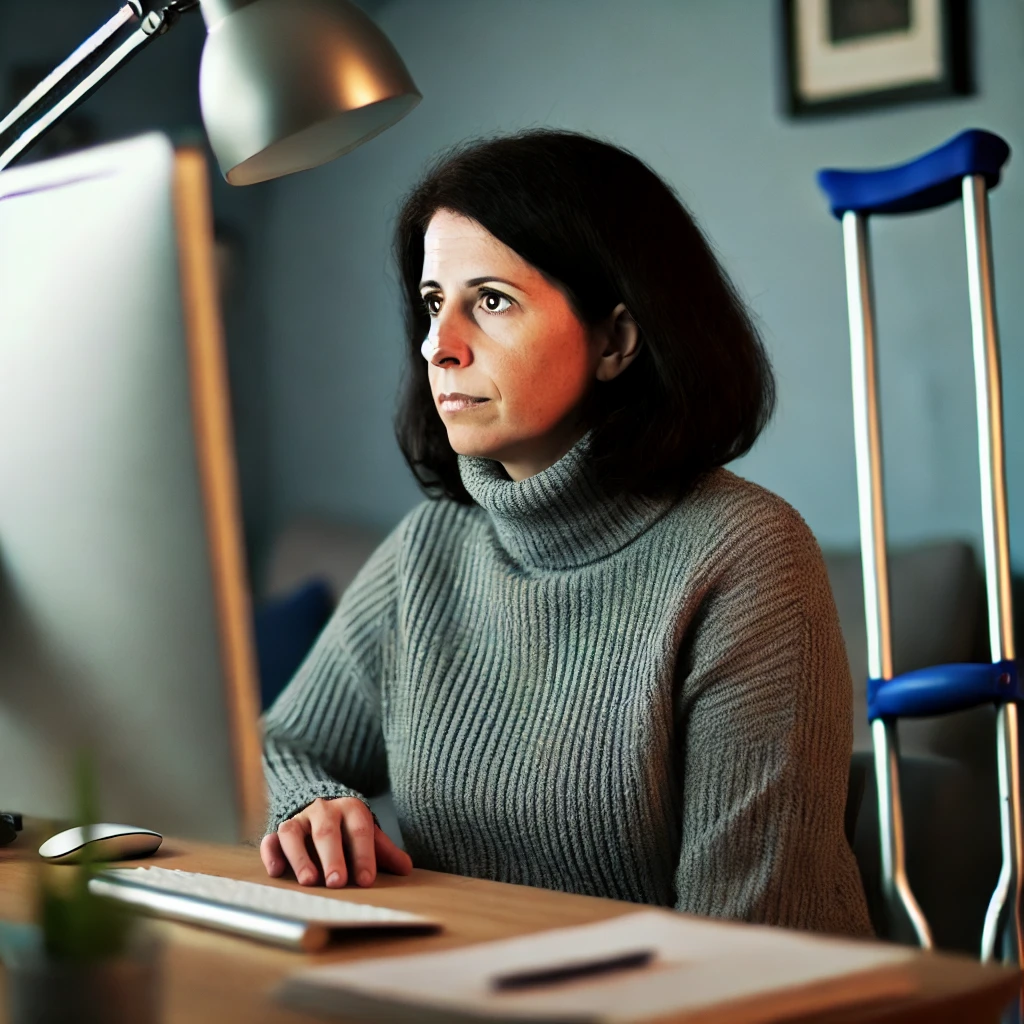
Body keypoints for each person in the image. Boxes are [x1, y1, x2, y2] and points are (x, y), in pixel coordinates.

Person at [260, 129, 872, 936]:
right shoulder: (429, 547)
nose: (437, 346)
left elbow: (747, 942)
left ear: (616, 340)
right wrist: (315, 803)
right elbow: (280, 743)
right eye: (434, 302)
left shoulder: (748, 556)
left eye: (492, 301)